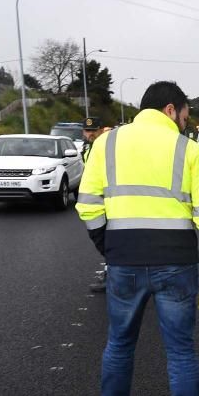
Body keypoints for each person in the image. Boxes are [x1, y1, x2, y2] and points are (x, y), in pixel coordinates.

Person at [75, 81, 199, 396]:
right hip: (175, 263)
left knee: (120, 344)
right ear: (171, 109)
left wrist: (108, 247)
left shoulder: (105, 144)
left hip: (124, 261)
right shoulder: (187, 149)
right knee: (180, 352)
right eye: (186, 114)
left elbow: (88, 204)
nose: (186, 122)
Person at [82, 116, 111, 293]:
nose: (90, 134)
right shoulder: (88, 149)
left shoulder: (108, 147)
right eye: (87, 131)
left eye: (94, 131)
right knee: (104, 239)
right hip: (95, 201)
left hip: (108, 201)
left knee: (107, 239)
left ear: (101, 130)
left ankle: (112, 274)